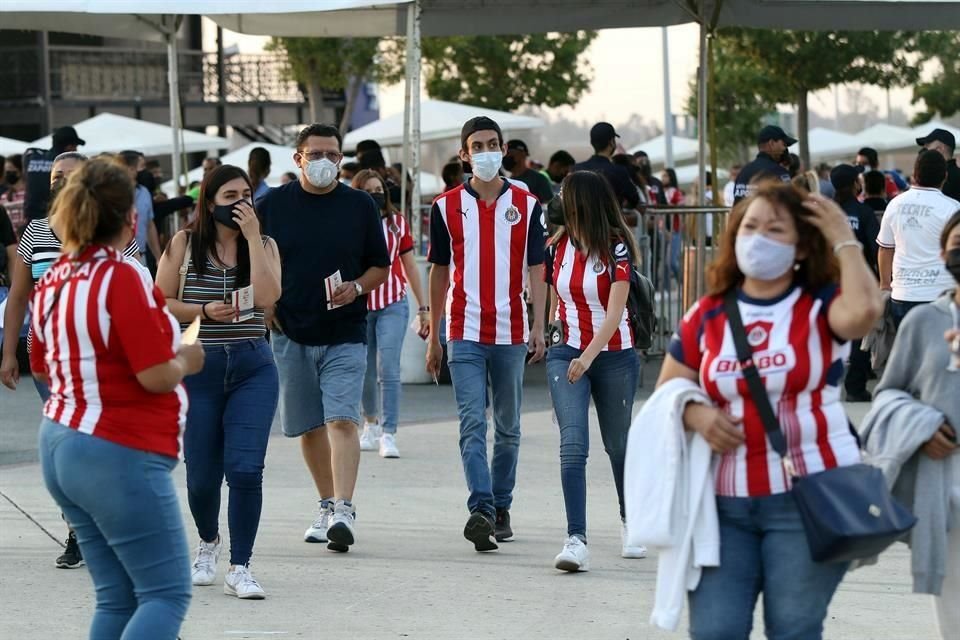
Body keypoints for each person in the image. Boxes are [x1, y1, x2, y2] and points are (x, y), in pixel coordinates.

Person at [658, 181, 882, 639]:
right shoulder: (705, 314)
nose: (758, 237)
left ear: (800, 247)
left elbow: (865, 313)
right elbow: (669, 389)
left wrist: (844, 237)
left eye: (775, 229)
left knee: (793, 629)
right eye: (751, 226)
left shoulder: (821, 305)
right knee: (715, 631)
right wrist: (695, 413)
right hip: (722, 505)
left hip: (808, 500)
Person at [33, 159, 202, 639]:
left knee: (117, 597)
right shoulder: (121, 277)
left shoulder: (55, 278)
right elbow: (154, 376)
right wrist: (187, 359)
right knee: (165, 594)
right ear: (132, 217)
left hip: (61, 439)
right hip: (115, 447)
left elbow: (43, 365)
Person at [258, 123, 390, 552]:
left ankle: (344, 510)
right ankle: (326, 503)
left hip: (345, 331)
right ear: (298, 159)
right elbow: (252, 260)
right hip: (290, 332)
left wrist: (358, 286)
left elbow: (380, 266)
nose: (324, 162)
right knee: (308, 427)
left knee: (341, 419)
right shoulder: (272, 205)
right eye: (315, 155)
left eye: (332, 155)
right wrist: (266, 305)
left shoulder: (359, 206)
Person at [156, 165, 281, 599]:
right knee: (202, 479)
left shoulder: (263, 244)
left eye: (246, 194)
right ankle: (208, 541)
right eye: (230, 196)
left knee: (246, 469)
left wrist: (251, 238)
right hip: (199, 367)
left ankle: (240, 565)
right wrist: (204, 311)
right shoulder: (185, 243)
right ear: (210, 202)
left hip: (253, 365)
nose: (240, 203)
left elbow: (267, 299)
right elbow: (161, 303)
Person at [426, 116, 547, 552]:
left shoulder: (528, 203)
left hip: (512, 327)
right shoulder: (445, 206)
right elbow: (439, 269)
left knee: (509, 427)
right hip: (463, 328)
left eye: (492, 144)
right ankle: (480, 507)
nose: (486, 151)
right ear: (464, 154)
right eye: (477, 145)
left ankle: (501, 506)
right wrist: (434, 333)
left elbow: (538, 267)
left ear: (504, 149)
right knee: (472, 422)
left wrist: (538, 324)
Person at [865, 210, 960, 639]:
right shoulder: (924, 322)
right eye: (957, 244)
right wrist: (921, 427)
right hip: (949, 500)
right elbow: (888, 393)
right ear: (942, 253)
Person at [544, 171, 643, 572]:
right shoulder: (557, 245)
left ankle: (631, 520)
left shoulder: (617, 249)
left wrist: (587, 356)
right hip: (565, 353)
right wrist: (552, 334)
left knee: (618, 445)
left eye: (564, 194)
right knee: (573, 443)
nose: (558, 200)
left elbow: (616, 311)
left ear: (582, 202)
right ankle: (576, 538)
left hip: (614, 354)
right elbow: (556, 297)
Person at [352, 169, 429, 459]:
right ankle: (369, 424)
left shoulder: (397, 223)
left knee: (389, 367)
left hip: (392, 303)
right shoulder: (351, 223)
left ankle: (389, 432)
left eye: (379, 189)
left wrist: (423, 307)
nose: (376, 195)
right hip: (360, 304)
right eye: (369, 190)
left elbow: (409, 266)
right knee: (364, 369)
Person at [878, 150, 960, 329]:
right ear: (944, 176)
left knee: (908, 353)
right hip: (940, 294)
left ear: (915, 175)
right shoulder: (953, 209)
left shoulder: (894, 204)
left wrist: (885, 285)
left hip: (902, 294)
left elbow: (885, 249)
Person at [831, 164, 881, 402]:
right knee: (859, 334)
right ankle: (855, 388)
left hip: (828, 279)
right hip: (857, 279)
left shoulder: (827, 212)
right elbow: (875, 247)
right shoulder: (863, 213)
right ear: (854, 184)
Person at [22, 125, 85, 222]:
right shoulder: (64, 167)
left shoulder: (33, 158)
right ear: (69, 146)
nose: (76, 150)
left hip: (30, 220)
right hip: (55, 219)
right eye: (75, 147)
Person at [574, 123, 640, 210]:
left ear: (592, 143)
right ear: (612, 142)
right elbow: (634, 199)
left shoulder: (576, 169)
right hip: (609, 223)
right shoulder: (619, 171)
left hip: (580, 223)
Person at [115, 151, 163, 265]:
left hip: (140, 256)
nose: (145, 171)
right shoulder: (112, 194)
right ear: (129, 169)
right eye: (142, 167)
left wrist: (158, 256)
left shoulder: (144, 192)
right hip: (118, 256)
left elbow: (150, 226)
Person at [733, 125, 795, 203]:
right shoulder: (778, 172)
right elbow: (789, 204)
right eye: (784, 144)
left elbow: (737, 205)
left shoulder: (743, 173)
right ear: (771, 143)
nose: (785, 149)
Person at [503, 139, 554, 204]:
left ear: (522, 154)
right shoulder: (507, 181)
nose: (506, 157)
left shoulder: (538, 179)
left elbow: (549, 205)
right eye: (505, 154)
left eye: (509, 153)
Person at [917, 128, 960, 202]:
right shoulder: (956, 173)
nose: (924, 152)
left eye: (927, 148)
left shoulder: (933, 177)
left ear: (939, 149)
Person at [3, 154, 26, 235]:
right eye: (6, 172)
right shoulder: (4, 197)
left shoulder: (30, 194)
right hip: (11, 241)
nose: (7, 174)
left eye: (10, 171)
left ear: (20, 171)